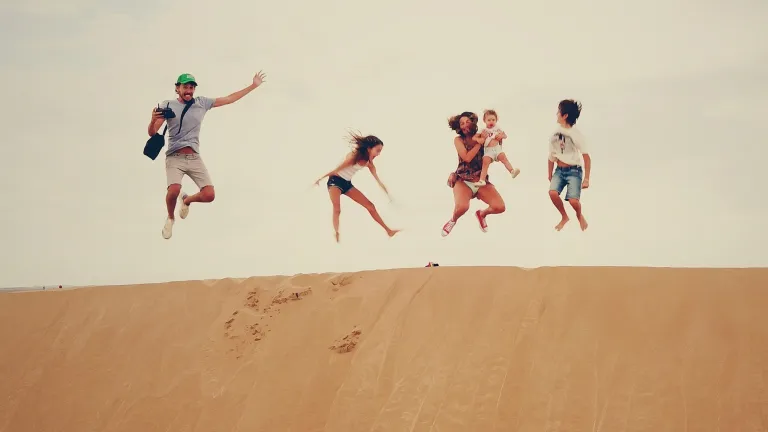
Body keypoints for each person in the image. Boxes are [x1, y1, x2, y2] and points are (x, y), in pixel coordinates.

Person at [147, 71, 267, 239]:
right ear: (177, 88)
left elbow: (229, 99)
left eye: (191, 87)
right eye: (185, 87)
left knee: (209, 195)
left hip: (194, 157)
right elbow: (152, 133)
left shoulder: (202, 103)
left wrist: (253, 86)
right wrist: (153, 119)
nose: (188, 90)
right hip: (175, 157)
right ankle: (170, 218)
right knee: (174, 190)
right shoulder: (167, 105)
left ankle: (186, 200)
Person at [313, 133, 401, 242]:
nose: (378, 154)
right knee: (337, 209)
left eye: (380, 151)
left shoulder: (369, 163)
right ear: (369, 149)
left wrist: (387, 193)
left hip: (347, 184)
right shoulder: (353, 157)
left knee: (370, 206)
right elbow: (336, 170)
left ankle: (389, 231)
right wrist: (320, 179)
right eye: (377, 151)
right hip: (335, 181)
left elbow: (378, 180)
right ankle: (336, 233)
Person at [441, 112, 507, 237]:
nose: (465, 125)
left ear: (473, 123)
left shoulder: (483, 135)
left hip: (480, 180)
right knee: (462, 207)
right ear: (459, 127)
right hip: (463, 180)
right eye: (462, 123)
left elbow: (494, 153)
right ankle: (453, 220)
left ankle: (481, 214)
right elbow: (466, 158)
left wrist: (498, 138)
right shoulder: (459, 140)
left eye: (467, 122)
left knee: (500, 207)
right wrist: (479, 143)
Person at [547, 99, 591, 231]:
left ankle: (579, 215)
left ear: (565, 115)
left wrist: (586, 179)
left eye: (558, 112)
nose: (556, 114)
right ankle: (564, 217)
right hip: (559, 170)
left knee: (573, 201)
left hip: (574, 171)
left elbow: (586, 157)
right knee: (552, 193)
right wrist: (549, 174)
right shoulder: (555, 134)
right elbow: (551, 156)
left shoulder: (575, 134)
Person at [475, 109, 520, 186]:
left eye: (493, 120)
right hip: (488, 150)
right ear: (484, 120)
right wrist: (479, 139)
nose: (491, 122)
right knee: (485, 162)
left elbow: (505, 135)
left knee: (503, 158)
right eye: (489, 120)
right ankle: (482, 180)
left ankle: (512, 171)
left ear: (496, 120)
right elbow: (475, 137)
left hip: (497, 148)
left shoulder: (497, 128)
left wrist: (501, 136)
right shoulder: (483, 130)